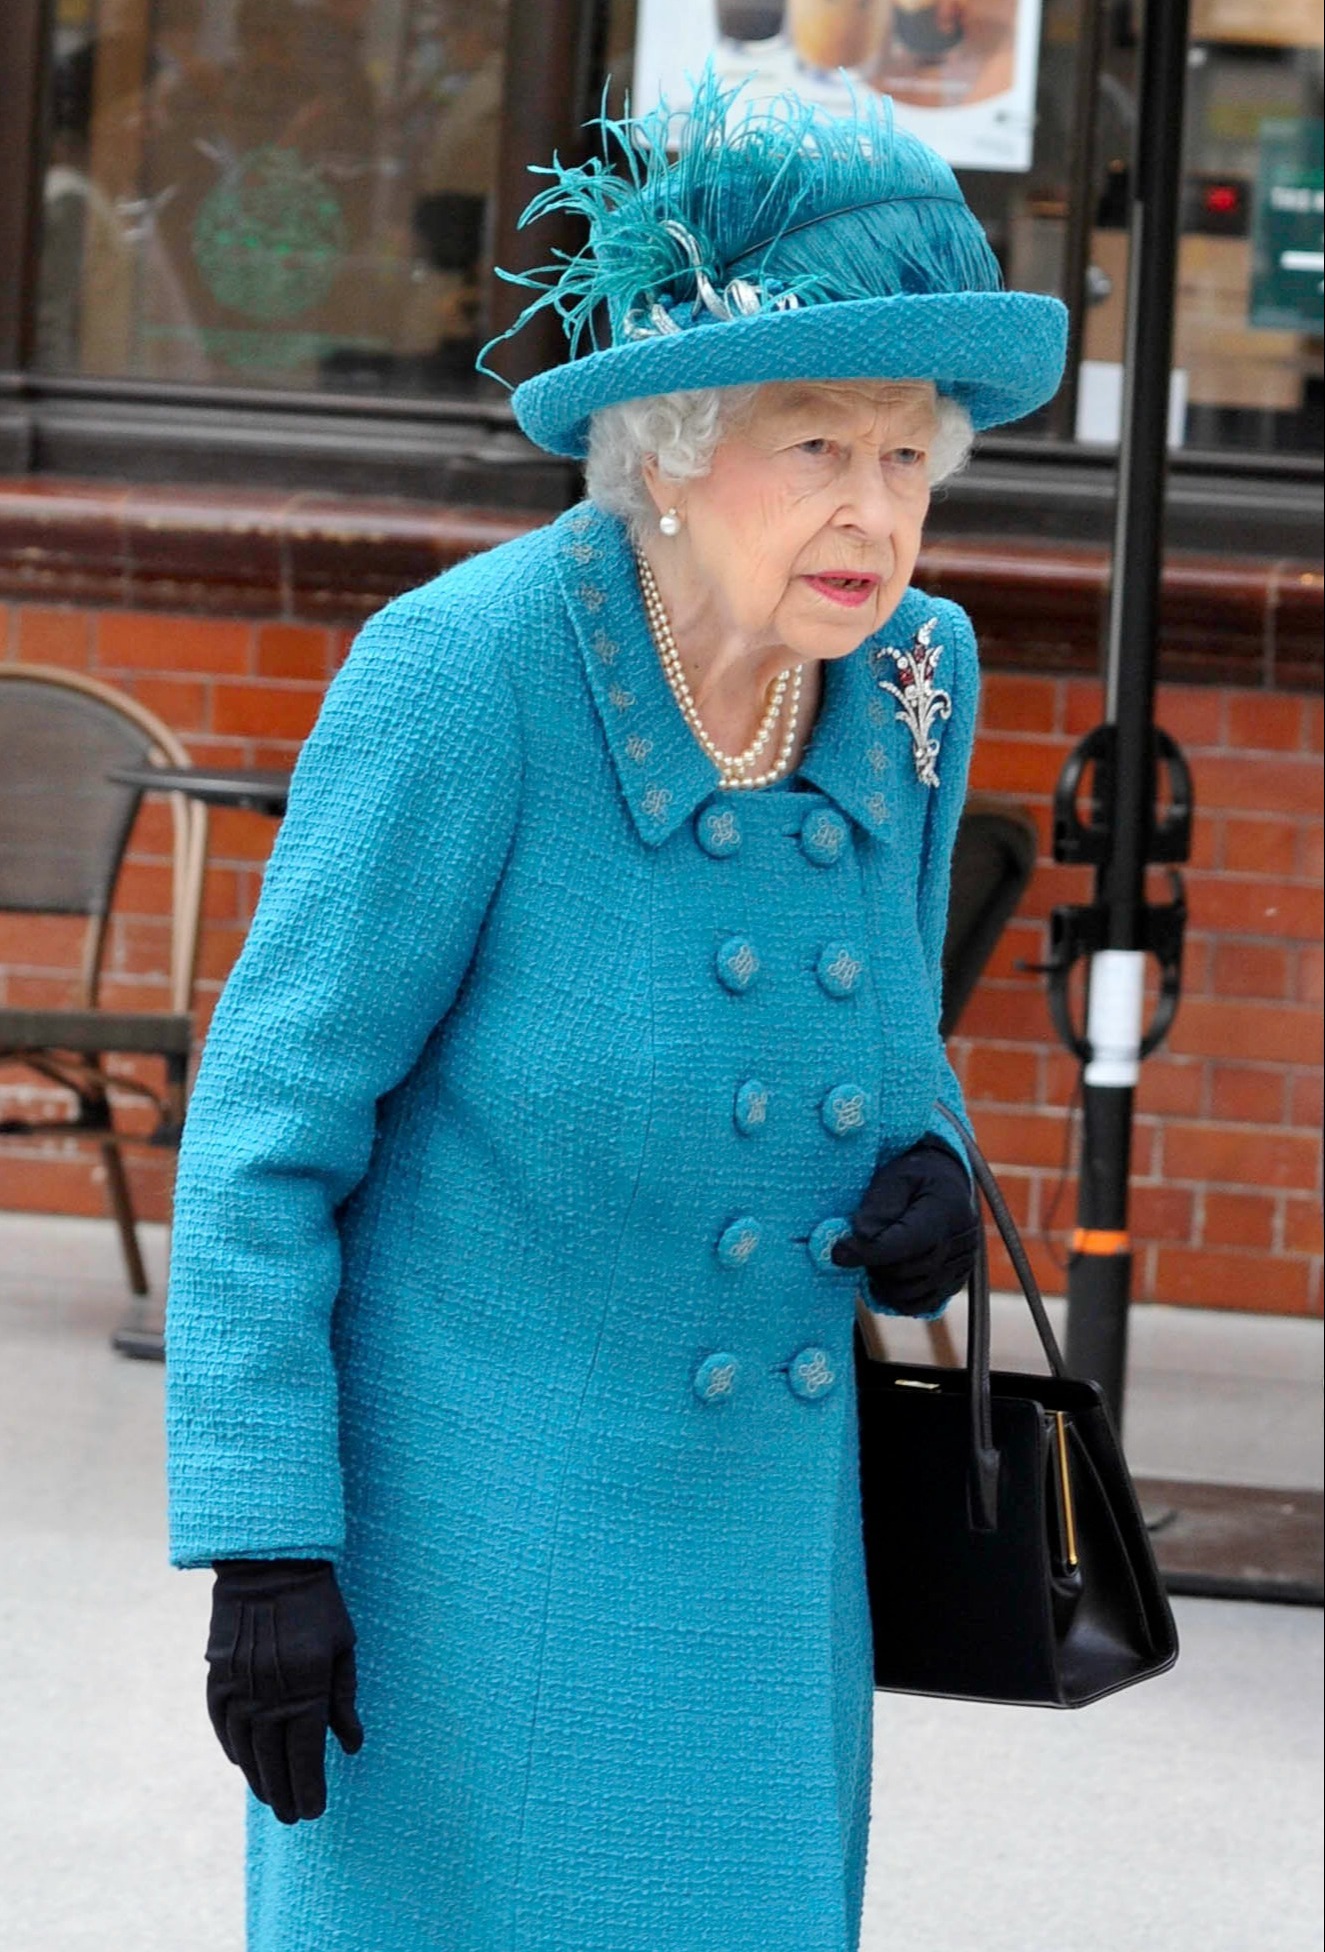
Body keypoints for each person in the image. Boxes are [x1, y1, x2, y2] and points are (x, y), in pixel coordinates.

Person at [165, 70, 1065, 1952]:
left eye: (907, 457)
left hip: (759, 1528)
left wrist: (932, 1171)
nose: (875, 513)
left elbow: (891, 1017)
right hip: (472, 1535)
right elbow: (264, 1134)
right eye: (814, 446)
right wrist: (265, 1540)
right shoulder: (463, 674)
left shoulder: (911, 672)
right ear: (668, 445)